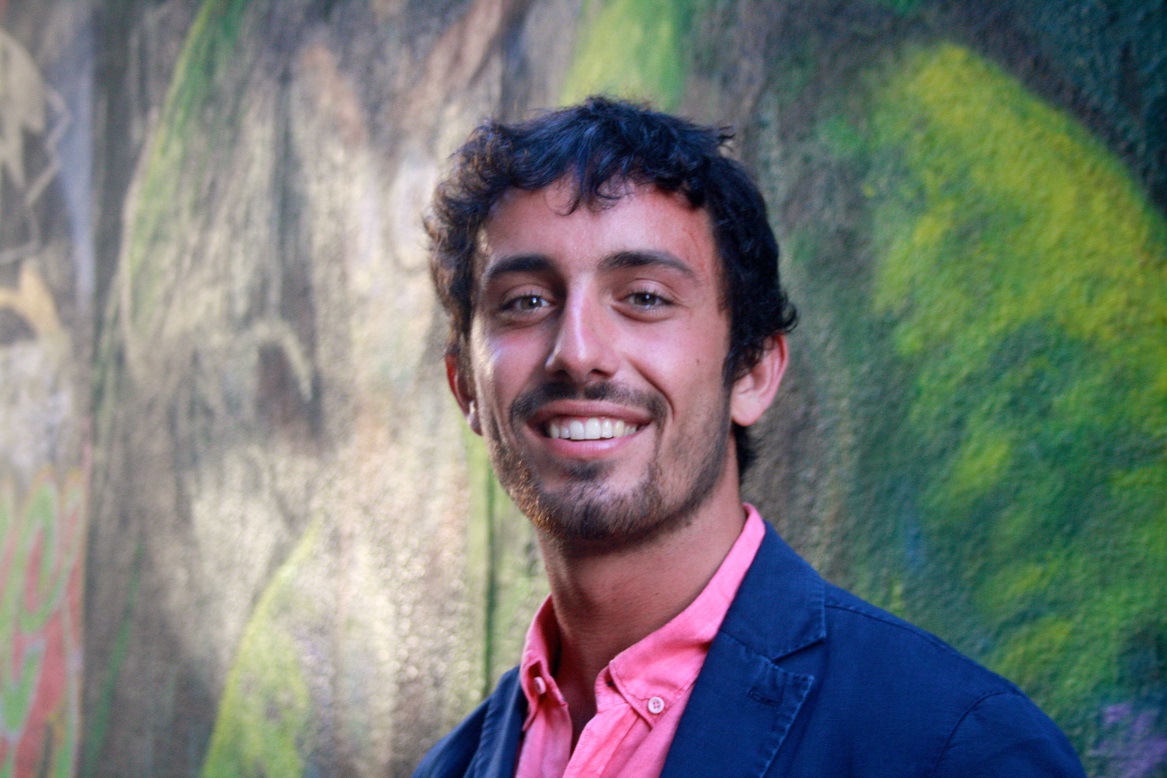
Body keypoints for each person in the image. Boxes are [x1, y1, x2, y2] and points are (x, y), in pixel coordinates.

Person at [414, 96, 1085, 777]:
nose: (578, 352)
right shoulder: (448, 767)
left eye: (644, 297)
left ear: (752, 371)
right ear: (465, 386)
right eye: (525, 302)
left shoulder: (959, 748)